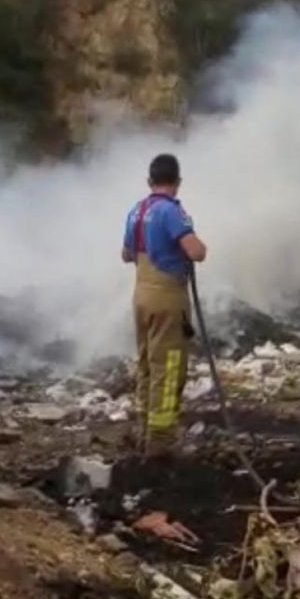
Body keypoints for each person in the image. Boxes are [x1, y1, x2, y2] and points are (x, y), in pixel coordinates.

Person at [122, 154, 207, 453]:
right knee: (168, 368)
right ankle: (160, 441)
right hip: (167, 298)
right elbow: (196, 252)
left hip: (141, 296)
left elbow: (126, 254)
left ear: (150, 181)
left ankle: (143, 428)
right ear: (178, 182)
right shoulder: (171, 211)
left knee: (147, 364)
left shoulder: (137, 211)